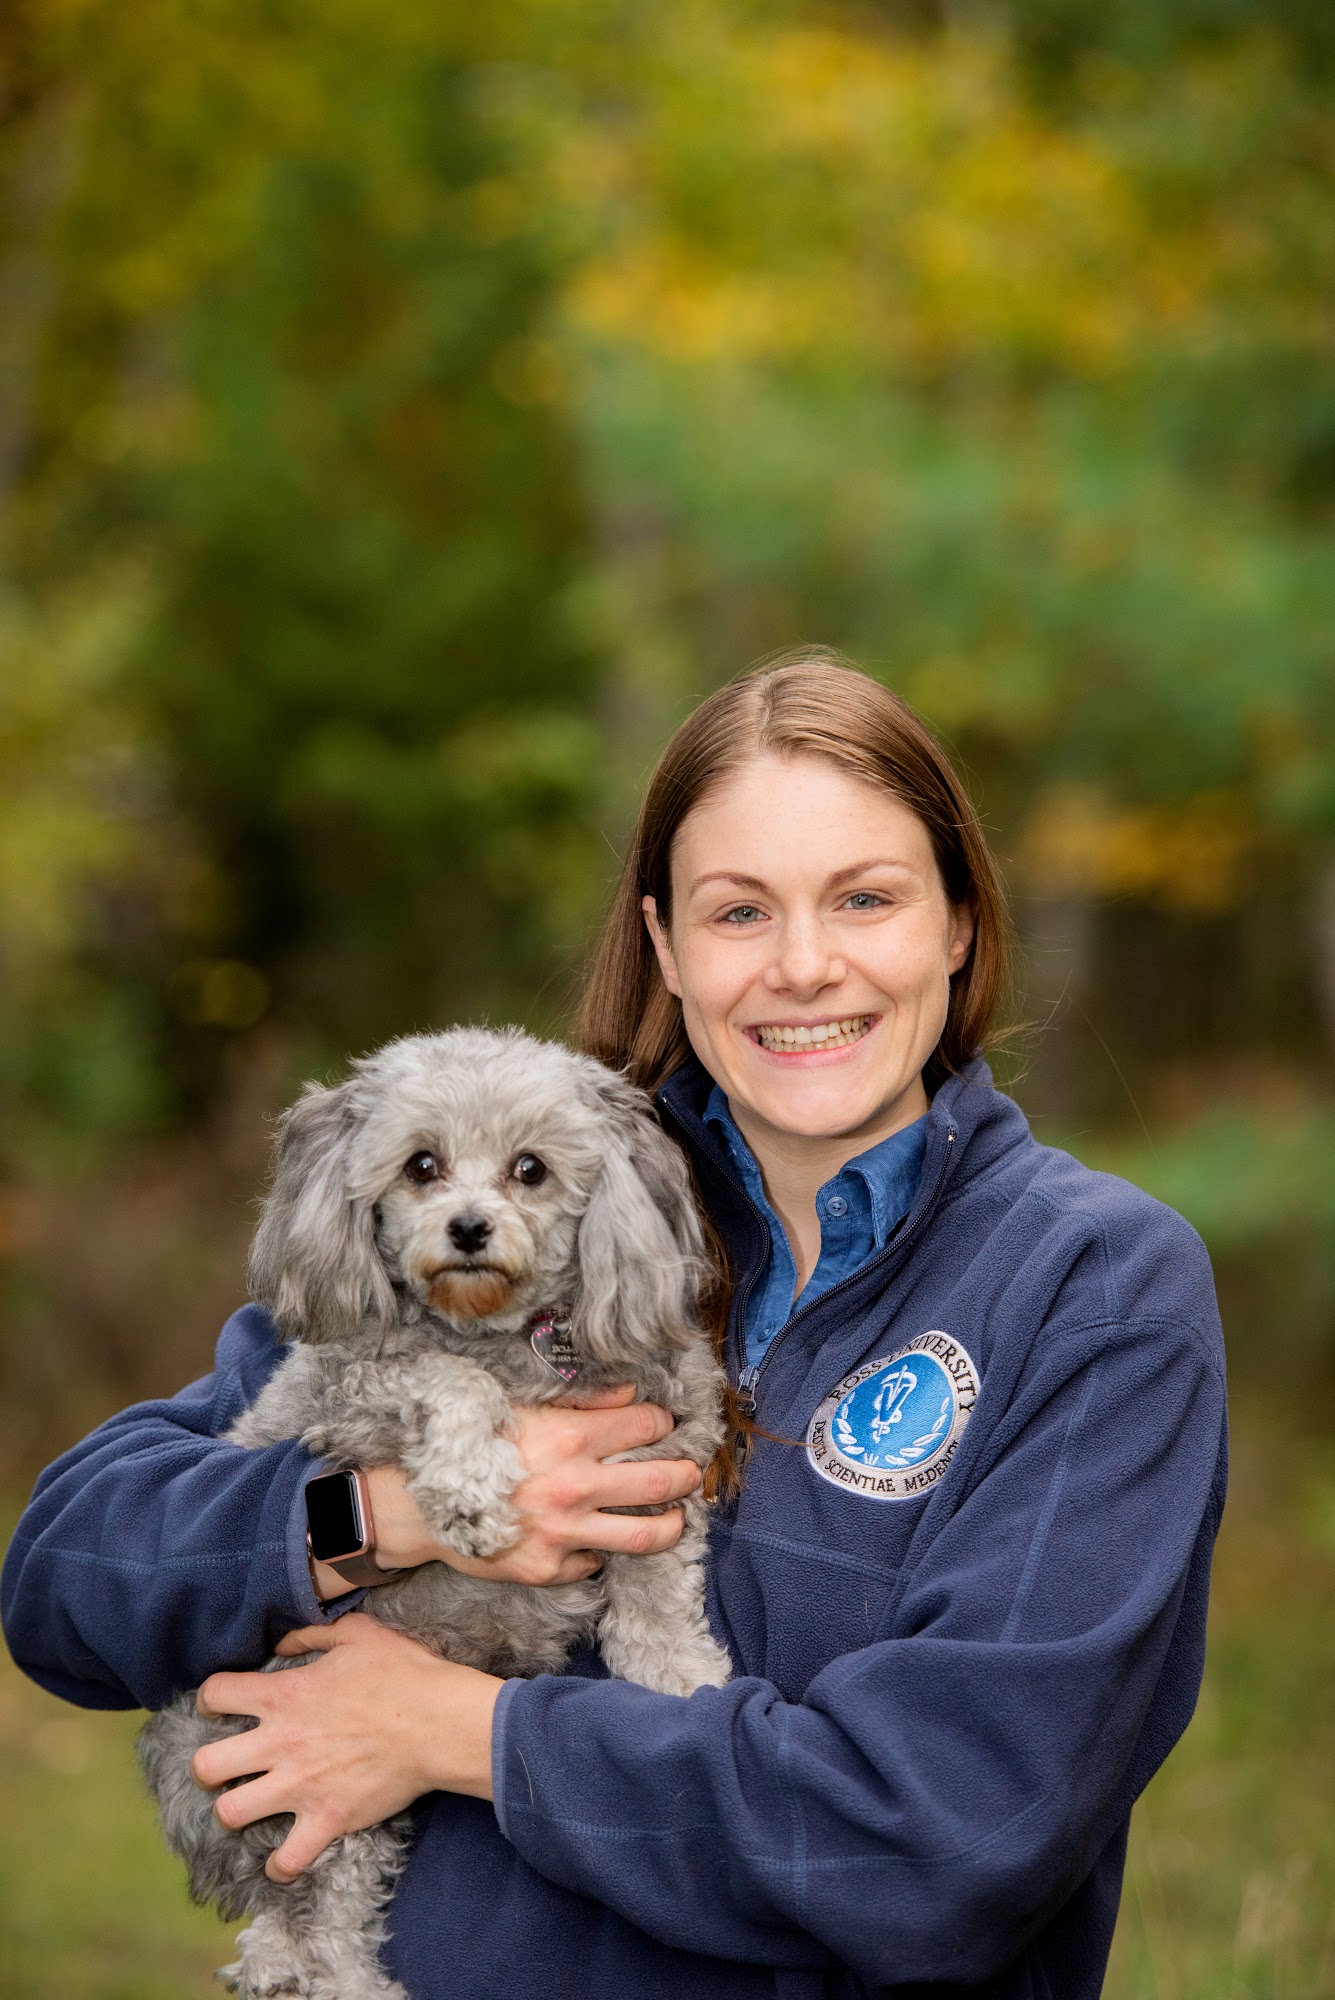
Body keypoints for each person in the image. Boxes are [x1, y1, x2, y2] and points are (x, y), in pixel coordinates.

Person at [1, 654, 1227, 1999]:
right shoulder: (542, 1196)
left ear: (955, 923)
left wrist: (463, 1732)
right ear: (666, 947)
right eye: (739, 911)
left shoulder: (1091, 1287)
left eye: (865, 899)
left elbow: (948, 1836)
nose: (804, 966)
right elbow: (67, 1580)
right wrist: (383, 1515)